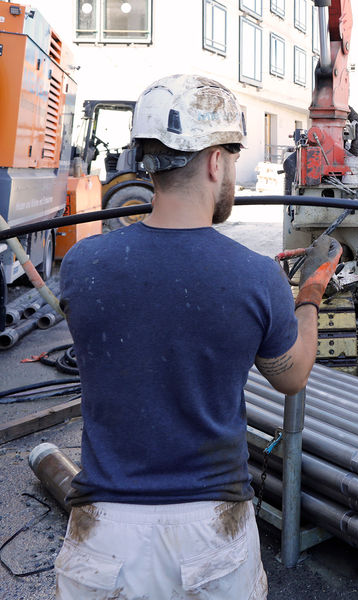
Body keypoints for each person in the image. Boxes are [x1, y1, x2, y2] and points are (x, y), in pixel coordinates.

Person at [55, 74, 341, 598]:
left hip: (102, 533)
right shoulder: (256, 278)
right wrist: (311, 294)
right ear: (215, 161)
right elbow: (293, 375)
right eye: (232, 157)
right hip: (212, 531)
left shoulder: (81, 266)